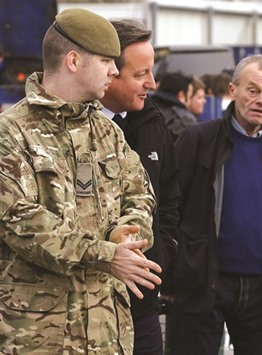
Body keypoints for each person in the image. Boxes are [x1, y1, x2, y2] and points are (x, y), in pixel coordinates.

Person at [0, 8, 161, 353]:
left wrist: (128, 234)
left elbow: (140, 196)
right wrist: (106, 254)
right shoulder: (10, 133)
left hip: (106, 333)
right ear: (73, 61)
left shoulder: (109, 133)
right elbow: (19, 221)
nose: (115, 71)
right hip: (39, 335)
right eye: (106, 61)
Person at [171, 54, 262, 355]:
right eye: (252, 90)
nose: (261, 100)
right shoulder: (197, 140)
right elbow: (170, 209)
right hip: (203, 282)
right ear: (233, 91)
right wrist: (175, 272)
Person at [99, 19, 180, 355]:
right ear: (108, 72)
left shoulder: (153, 122)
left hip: (143, 305)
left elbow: (170, 200)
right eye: (140, 74)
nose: (152, 82)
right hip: (91, 305)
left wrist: (164, 252)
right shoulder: (70, 129)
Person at [151, 71, 198, 141]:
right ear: (181, 95)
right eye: (189, 96)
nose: (190, 102)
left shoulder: (143, 108)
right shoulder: (185, 120)